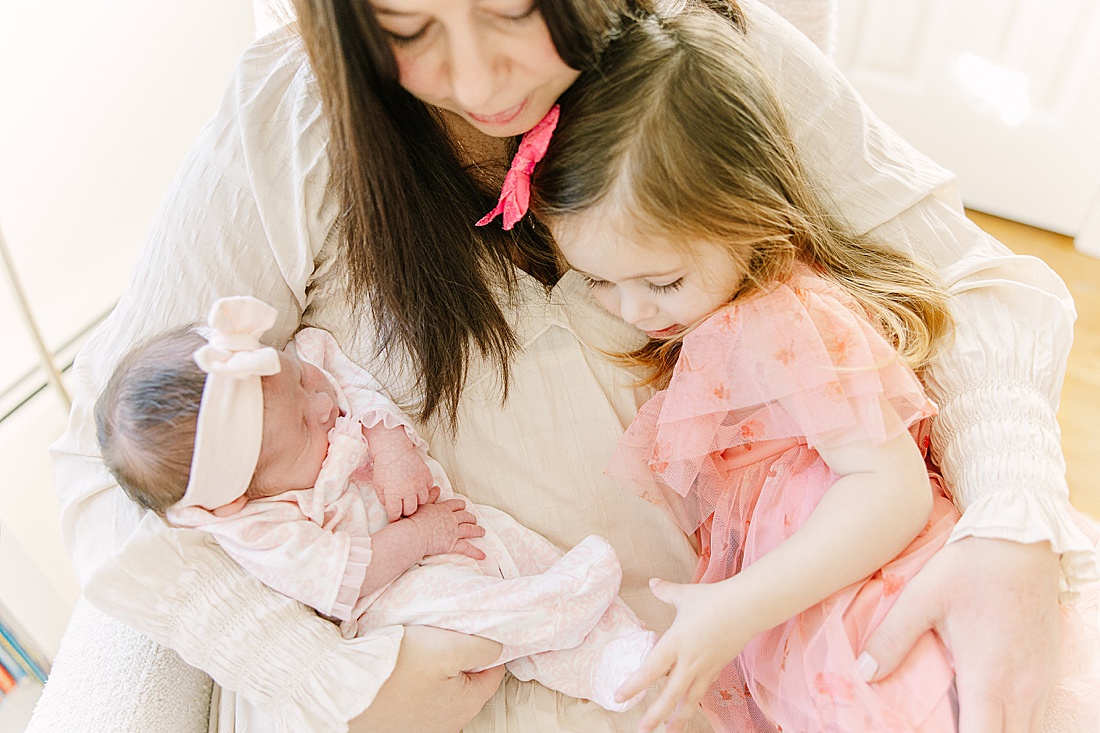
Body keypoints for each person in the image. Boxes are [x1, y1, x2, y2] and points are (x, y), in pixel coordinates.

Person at [50, 0, 1094, 730]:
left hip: (742, 649)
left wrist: (1011, 523)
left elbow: (969, 282)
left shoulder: (696, 57)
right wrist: (334, 680)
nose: (476, 78)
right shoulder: (294, 120)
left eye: (512, 10)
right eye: (405, 30)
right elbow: (102, 471)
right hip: (461, 673)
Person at [528, 10, 1100, 732]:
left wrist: (737, 607)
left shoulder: (784, 320)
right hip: (815, 615)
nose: (634, 308)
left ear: (748, 217)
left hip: (871, 610)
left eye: (662, 281)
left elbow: (890, 491)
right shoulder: (717, 317)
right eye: (601, 283)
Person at [93, 294, 656, 712]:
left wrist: (389, 444)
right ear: (243, 492)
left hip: (455, 524)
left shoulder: (295, 370)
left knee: (519, 546)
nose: (320, 405)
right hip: (393, 596)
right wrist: (421, 538)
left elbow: (336, 369)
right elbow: (337, 577)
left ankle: (616, 652)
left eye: (299, 382)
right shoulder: (258, 526)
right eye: (304, 426)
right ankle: (559, 615)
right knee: (465, 609)